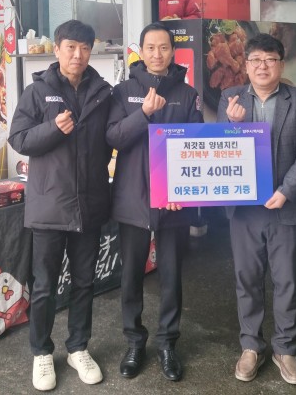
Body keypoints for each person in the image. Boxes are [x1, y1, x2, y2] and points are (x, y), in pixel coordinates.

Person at [8, 20, 113, 392]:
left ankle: (78, 348)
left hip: (89, 204)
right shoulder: (38, 91)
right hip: (49, 206)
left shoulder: (103, 92)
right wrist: (53, 128)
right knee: (44, 286)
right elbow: (18, 138)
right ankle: (41, 352)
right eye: (70, 47)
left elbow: (110, 140)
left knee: (85, 283)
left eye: (84, 48)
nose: (77, 55)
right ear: (56, 50)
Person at [217, 33, 296, 385]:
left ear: (281, 64)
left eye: (270, 60)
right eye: (256, 60)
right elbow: (218, 150)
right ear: (245, 65)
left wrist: (286, 191)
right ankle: (251, 346)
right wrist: (232, 126)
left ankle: (285, 350)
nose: (263, 66)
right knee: (247, 279)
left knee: (287, 281)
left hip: (286, 208)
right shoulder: (230, 98)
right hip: (245, 210)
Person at [106, 22, 204, 382]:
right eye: (150, 47)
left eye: (164, 47)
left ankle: (167, 343)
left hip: (173, 202)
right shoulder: (123, 91)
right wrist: (143, 114)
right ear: (141, 51)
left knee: (171, 276)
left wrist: (181, 189)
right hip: (132, 198)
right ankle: (135, 342)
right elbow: (114, 136)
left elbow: (196, 146)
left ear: (172, 52)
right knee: (131, 276)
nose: (157, 54)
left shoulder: (188, 94)